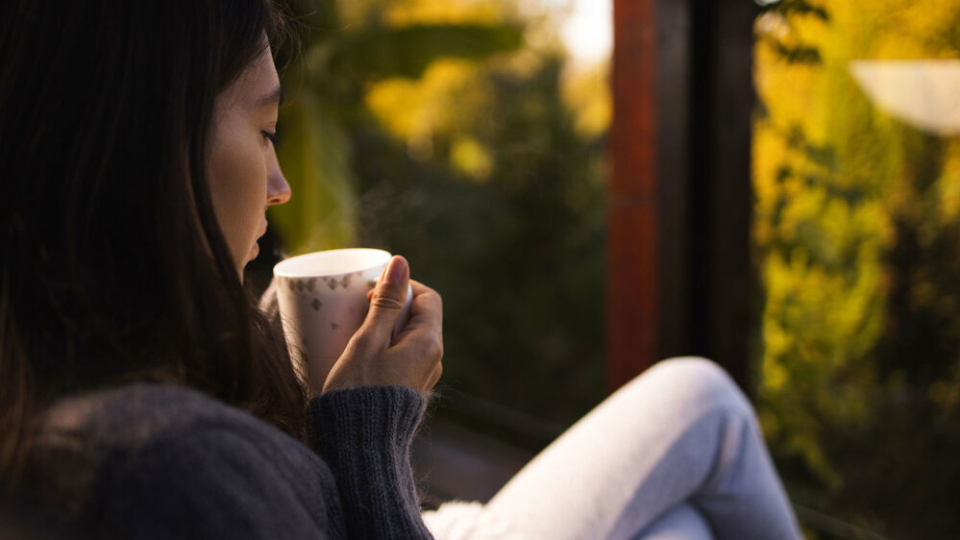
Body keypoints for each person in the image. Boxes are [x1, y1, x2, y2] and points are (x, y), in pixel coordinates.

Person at [0, 0, 803, 538]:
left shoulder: (65, 366)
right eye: (266, 130)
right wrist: (367, 433)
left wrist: (289, 376)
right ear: (151, 149)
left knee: (682, 529)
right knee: (703, 401)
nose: (279, 188)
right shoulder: (157, 469)